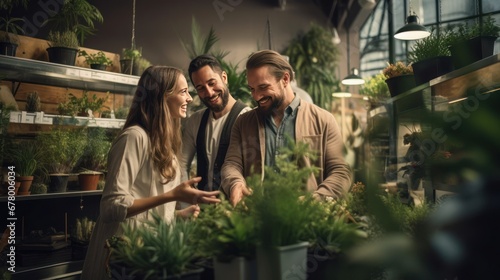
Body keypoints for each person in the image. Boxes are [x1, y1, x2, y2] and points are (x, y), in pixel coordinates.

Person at [81, 66, 221, 280]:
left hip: (145, 256)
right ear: (161, 96)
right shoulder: (134, 137)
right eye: (183, 92)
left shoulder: (162, 142)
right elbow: (112, 207)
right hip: (122, 257)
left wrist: (175, 215)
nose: (190, 99)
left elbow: (143, 209)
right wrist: (173, 196)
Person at [221, 50, 352, 206]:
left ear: (285, 79)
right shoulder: (243, 123)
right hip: (256, 220)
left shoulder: (323, 120)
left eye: (263, 87)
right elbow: (231, 164)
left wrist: (316, 199)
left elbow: (341, 171)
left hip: (308, 220)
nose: (256, 96)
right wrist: (236, 184)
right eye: (252, 89)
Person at [180, 55, 250, 192]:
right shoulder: (195, 121)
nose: (209, 92)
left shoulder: (247, 118)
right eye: (200, 88)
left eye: (212, 83)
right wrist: (186, 201)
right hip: (202, 209)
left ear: (224, 77)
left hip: (236, 210)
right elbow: (182, 165)